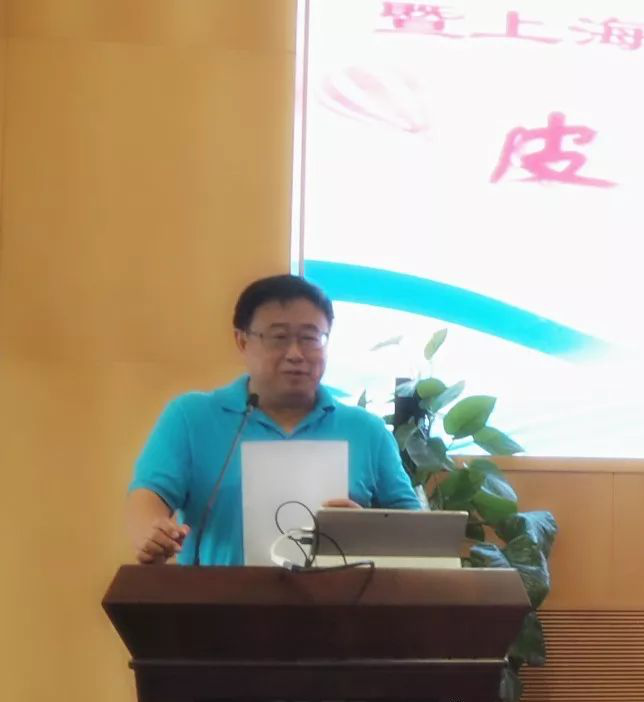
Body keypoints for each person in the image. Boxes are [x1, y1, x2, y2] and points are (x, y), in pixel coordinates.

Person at [127, 274, 421, 565]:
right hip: (218, 594)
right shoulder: (192, 417)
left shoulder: (366, 430)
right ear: (242, 340)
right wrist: (151, 534)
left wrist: (366, 531)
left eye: (310, 338)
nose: (295, 354)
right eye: (278, 337)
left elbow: (416, 532)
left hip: (340, 595)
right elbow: (150, 494)